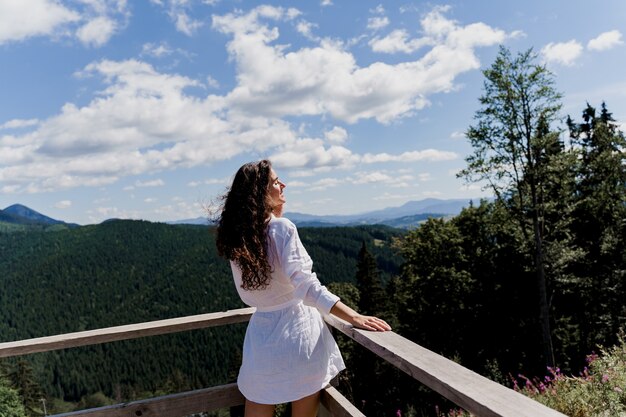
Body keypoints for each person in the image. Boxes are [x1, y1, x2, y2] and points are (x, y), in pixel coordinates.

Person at [215, 159, 391, 417]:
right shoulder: (281, 228)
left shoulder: (238, 238)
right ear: (261, 193)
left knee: (258, 402)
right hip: (299, 334)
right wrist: (353, 316)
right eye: (275, 182)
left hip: (262, 339)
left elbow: (250, 294)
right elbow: (307, 287)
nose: (283, 184)